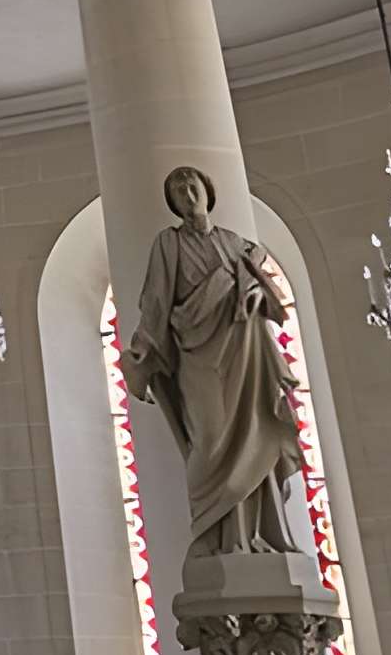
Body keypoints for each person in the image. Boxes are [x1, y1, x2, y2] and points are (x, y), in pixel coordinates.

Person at [125, 165, 303, 557]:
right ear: (172, 202)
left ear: (208, 191)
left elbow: (265, 290)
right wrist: (143, 348)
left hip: (244, 352)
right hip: (197, 357)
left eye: (192, 186)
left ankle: (260, 536)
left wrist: (255, 292)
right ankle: (217, 539)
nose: (188, 194)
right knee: (209, 441)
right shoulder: (167, 244)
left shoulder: (236, 244)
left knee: (256, 435)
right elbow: (156, 300)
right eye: (178, 190)